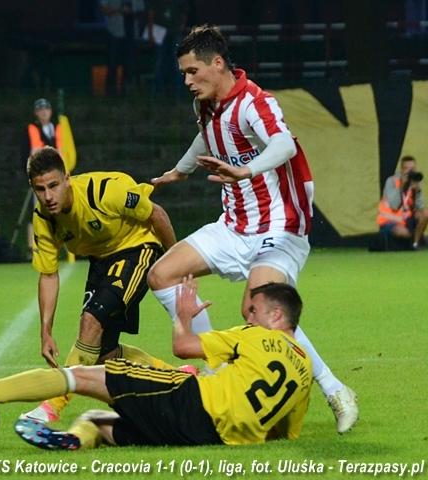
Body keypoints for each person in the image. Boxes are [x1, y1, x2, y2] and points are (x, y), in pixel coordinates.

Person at [147, 25, 358, 433]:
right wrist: (181, 170)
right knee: (162, 273)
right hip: (234, 226)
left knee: (257, 307)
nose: (187, 81)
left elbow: (283, 145)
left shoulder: (254, 103)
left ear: (218, 63)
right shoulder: (206, 106)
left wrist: (246, 170)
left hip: (280, 225)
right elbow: (206, 139)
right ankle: (214, 371)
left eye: (192, 71)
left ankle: (335, 390)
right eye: (184, 73)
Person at [0, 275, 313, 449]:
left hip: (190, 401)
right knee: (97, 419)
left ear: (277, 316)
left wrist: (183, 316)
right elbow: (281, 434)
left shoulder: (255, 336)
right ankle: (75, 439)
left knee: (80, 375)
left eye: (255, 311)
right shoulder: (306, 371)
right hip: (208, 436)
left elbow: (183, 347)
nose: (249, 316)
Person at [19, 146, 180, 424]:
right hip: (101, 261)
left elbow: (157, 215)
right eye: (40, 189)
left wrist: (177, 263)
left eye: (53, 186)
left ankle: (52, 406)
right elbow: (48, 275)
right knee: (104, 354)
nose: (48, 197)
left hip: (137, 247)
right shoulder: (44, 218)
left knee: (90, 322)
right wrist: (45, 332)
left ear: (67, 178)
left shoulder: (104, 191)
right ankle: (178, 376)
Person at [21, 98, 63, 256]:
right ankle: (33, 247)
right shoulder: (31, 128)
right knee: (37, 211)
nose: (44, 112)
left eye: (46, 109)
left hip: (55, 177)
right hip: (38, 176)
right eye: (40, 110)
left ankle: (56, 244)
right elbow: (30, 152)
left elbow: (62, 151)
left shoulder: (56, 128)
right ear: (36, 113)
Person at [377, 155, 427, 249]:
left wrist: (417, 191)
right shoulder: (391, 181)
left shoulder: (414, 182)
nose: (410, 172)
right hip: (390, 220)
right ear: (402, 170)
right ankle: (418, 238)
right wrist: (402, 186)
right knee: (405, 233)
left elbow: (421, 207)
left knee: (425, 213)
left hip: (406, 219)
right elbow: (394, 205)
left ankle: (415, 244)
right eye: (407, 169)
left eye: (413, 169)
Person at [101, 0, 145, 95]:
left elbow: (142, 11)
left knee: (129, 66)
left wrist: (132, 12)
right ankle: (111, 94)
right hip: (114, 33)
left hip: (132, 34)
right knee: (112, 64)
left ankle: (126, 93)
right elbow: (104, 10)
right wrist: (119, 10)